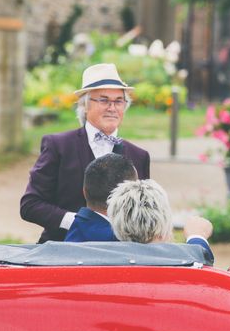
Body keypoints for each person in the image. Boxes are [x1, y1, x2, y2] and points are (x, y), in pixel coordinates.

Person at [20, 63, 151, 243]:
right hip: (62, 252)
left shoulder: (139, 156)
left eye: (118, 101)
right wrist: (79, 223)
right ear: (85, 105)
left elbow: (144, 212)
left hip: (120, 259)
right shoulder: (58, 146)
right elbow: (30, 205)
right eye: (104, 100)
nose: (112, 107)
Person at [107, 179, 214, 260]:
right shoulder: (182, 262)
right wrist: (197, 238)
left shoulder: (103, 260)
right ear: (162, 229)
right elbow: (201, 262)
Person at [64, 153, 138, 242]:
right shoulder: (121, 242)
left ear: (84, 191)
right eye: (136, 188)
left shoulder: (77, 228)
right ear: (125, 197)